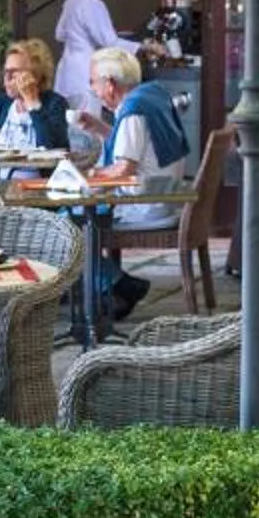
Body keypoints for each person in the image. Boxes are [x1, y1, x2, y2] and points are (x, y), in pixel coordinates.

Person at [88, 46, 188, 319]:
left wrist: (84, 178)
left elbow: (124, 169)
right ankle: (107, 283)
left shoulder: (132, 112)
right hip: (165, 199)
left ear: (110, 84)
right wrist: (98, 128)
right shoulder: (153, 96)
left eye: (93, 82)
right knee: (72, 221)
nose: (93, 90)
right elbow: (136, 149)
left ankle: (115, 283)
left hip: (143, 206)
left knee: (66, 225)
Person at [53, 0, 122, 115]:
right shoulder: (93, 4)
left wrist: (78, 37)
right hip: (86, 74)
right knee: (87, 124)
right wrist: (144, 47)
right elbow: (110, 42)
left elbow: (59, 33)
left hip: (67, 73)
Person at [0, 41, 73, 153]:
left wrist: (32, 102)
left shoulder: (55, 104)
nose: (7, 77)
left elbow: (52, 148)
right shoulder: (0, 103)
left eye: (14, 71)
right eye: (6, 71)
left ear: (36, 75)